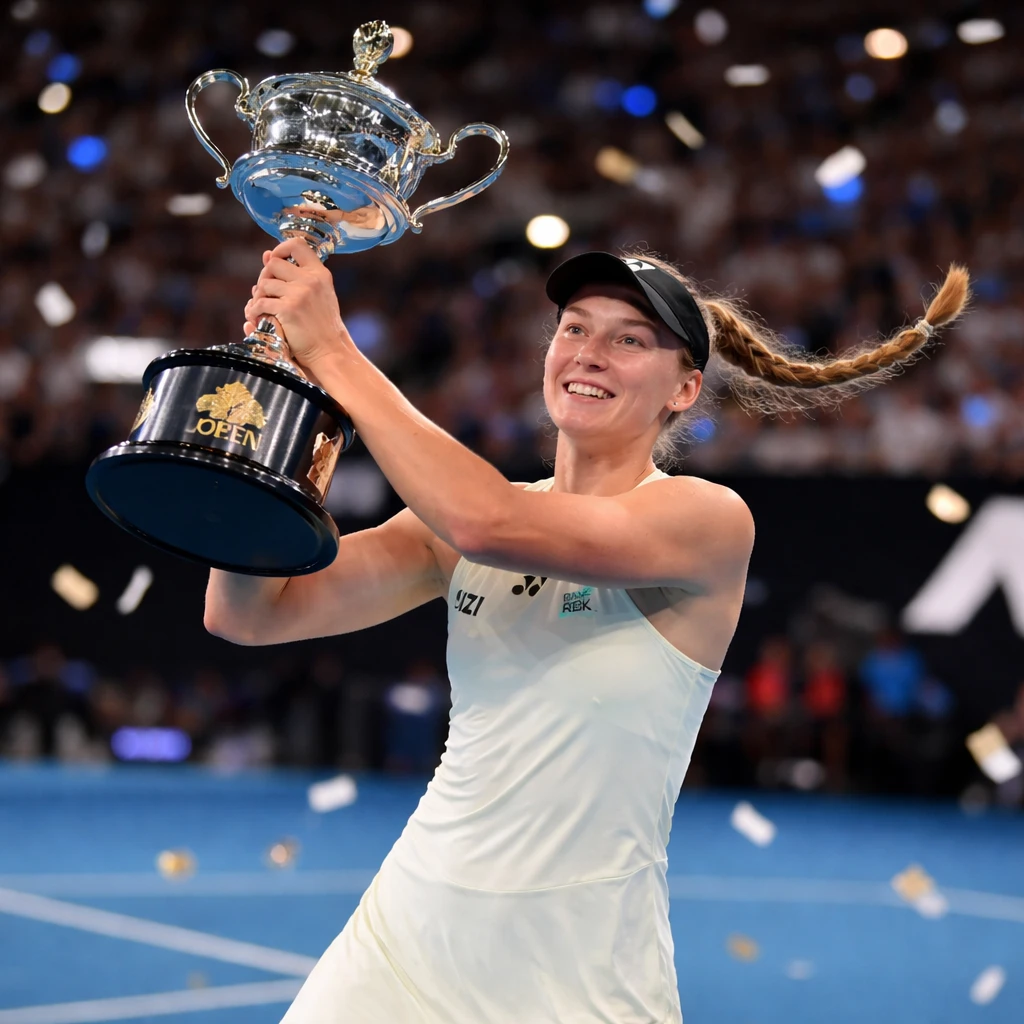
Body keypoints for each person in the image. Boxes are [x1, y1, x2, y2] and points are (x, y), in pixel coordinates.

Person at [204, 240, 969, 1023]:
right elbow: (248, 613)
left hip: (581, 980)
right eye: (574, 327)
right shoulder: (453, 531)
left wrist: (333, 351)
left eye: (630, 339)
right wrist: (268, 410)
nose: (589, 352)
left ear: (685, 389)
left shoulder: (706, 520)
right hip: (399, 950)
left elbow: (487, 521)